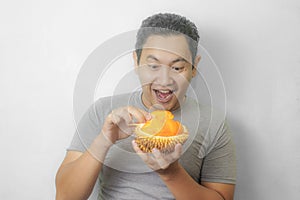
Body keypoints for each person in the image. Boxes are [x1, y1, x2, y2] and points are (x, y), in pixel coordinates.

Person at [55, 13, 236, 200]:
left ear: (194, 67)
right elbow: (65, 196)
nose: (165, 81)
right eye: (153, 66)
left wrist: (171, 173)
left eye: (177, 68)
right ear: (136, 61)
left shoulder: (213, 124)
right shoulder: (103, 111)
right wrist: (104, 140)